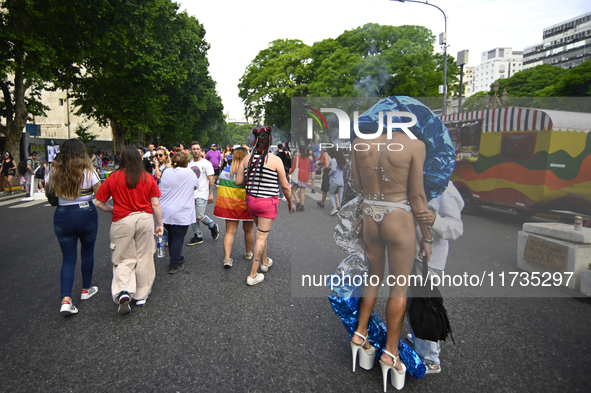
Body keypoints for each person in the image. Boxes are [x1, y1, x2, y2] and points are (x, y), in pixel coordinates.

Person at [350, 130, 433, 390]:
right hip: (398, 215)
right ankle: (390, 353)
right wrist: (427, 237)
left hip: (369, 212)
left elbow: (358, 186)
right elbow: (418, 196)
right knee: (399, 285)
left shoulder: (359, 143)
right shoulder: (414, 145)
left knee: (373, 277)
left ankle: (359, 334)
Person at [95, 146, 163, 315]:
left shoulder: (113, 177)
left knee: (123, 257)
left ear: (122, 159)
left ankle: (124, 290)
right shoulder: (147, 178)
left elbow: (99, 202)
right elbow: (155, 204)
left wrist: (113, 209)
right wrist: (160, 223)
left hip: (122, 219)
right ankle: (141, 294)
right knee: (145, 256)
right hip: (144, 219)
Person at [406, 182, 464, 374]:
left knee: (424, 304)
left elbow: (456, 227)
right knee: (414, 302)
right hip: (410, 254)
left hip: (428, 259)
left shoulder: (444, 186)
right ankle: (423, 340)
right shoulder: (414, 179)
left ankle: (430, 358)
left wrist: (435, 220)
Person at [236, 126, 295, 286]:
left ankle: (264, 262)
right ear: (270, 142)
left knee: (262, 233)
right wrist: (290, 203)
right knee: (261, 237)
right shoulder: (275, 160)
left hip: (252, 202)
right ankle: (253, 275)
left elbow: (238, 182)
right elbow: (285, 186)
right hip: (267, 203)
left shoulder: (247, 159)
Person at [48, 139, 101, 316]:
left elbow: (50, 197)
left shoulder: (53, 172)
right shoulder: (89, 172)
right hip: (86, 214)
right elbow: (100, 193)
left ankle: (66, 300)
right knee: (87, 252)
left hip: (62, 215)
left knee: (68, 258)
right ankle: (86, 289)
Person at [159, 152, 200, 274]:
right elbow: (196, 185)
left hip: (165, 210)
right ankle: (174, 264)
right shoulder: (189, 173)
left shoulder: (166, 172)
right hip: (181, 211)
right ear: (186, 163)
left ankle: (175, 257)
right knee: (178, 238)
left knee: (172, 235)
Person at [213, 147, 254, 267]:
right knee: (249, 230)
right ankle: (248, 253)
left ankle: (227, 258)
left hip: (231, 206)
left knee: (230, 232)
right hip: (247, 205)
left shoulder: (226, 171)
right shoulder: (250, 171)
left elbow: (222, 191)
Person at [187, 142, 219, 245]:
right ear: (191, 151)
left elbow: (211, 179)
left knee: (199, 215)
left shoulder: (206, 163)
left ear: (201, 150)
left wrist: (211, 194)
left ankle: (212, 225)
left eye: (197, 149)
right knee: (192, 216)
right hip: (191, 195)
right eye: (194, 149)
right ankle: (198, 235)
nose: (196, 151)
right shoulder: (189, 164)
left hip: (202, 193)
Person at [290, 145, 311, 212]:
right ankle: (302, 206)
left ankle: (298, 203)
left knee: (293, 190)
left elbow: (293, 168)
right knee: (302, 192)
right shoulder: (307, 159)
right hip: (305, 177)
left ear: (299, 151)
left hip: (298, 177)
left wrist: (291, 173)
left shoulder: (297, 158)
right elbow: (309, 169)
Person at [328, 148, 346, 216]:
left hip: (335, 180)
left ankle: (334, 208)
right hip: (342, 181)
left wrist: (330, 173)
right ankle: (341, 209)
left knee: (331, 193)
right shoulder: (344, 161)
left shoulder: (333, 160)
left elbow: (333, 170)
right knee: (341, 196)